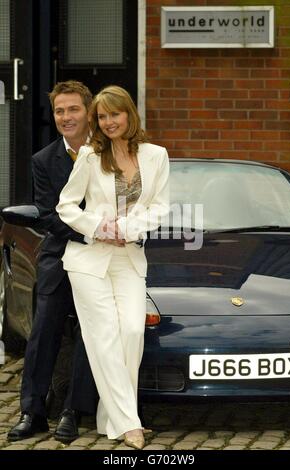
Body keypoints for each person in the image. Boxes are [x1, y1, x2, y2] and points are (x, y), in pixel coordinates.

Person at [56, 85, 169, 449]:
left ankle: (111, 417)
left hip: (130, 257)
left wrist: (126, 229)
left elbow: (161, 207)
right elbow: (66, 206)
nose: (108, 122)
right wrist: (98, 227)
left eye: (114, 115)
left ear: (129, 115)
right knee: (103, 337)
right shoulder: (90, 155)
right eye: (101, 117)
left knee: (132, 334)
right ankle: (130, 424)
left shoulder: (156, 156)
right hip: (88, 261)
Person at [8, 80, 98, 443]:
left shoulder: (109, 151)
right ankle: (32, 411)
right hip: (60, 253)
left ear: (89, 111)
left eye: (73, 109)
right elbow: (48, 216)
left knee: (90, 332)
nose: (65, 117)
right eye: (59, 111)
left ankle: (72, 411)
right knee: (44, 327)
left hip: (103, 259)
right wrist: (94, 232)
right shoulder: (43, 160)